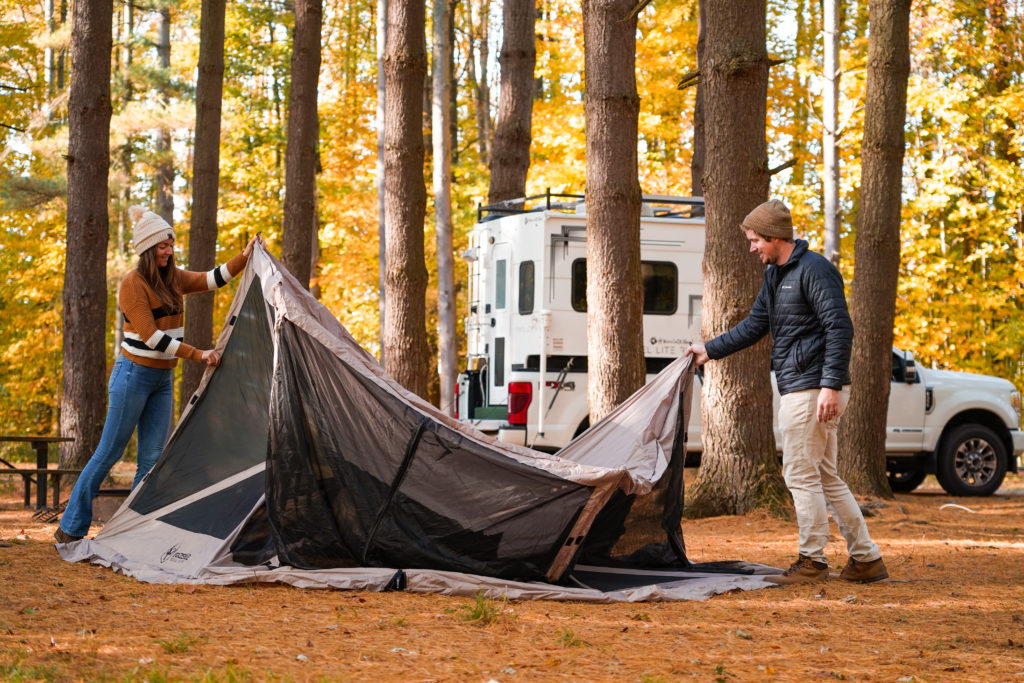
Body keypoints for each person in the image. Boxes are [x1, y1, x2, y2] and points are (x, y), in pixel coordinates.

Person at [685, 199, 887, 585]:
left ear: (775, 237)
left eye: (754, 240)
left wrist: (830, 384)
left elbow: (839, 328)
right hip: (806, 388)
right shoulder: (776, 276)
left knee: (799, 475)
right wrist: (708, 350)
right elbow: (754, 325)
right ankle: (866, 560)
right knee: (827, 477)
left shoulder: (815, 271)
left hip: (813, 390)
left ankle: (812, 561)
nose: (751, 248)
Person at [55, 206, 264, 544]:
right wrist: (198, 354)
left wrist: (244, 255)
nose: (169, 251)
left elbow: (213, 279)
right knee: (109, 453)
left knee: (151, 461)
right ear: (148, 249)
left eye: (171, 244)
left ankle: (131, 532)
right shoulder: (132, 284)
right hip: (132, 377)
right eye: (163, 246)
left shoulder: (173, 279)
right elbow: (152, 337)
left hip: (161, 381)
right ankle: (71, 527)